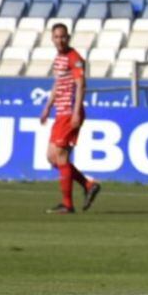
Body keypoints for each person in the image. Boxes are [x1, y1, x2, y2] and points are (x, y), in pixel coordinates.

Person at [39, 22, 101, 214]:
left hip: (70, 112)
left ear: (68, 37)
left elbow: (81, 85)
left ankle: (67, 204)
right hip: (60, 112)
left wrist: (75, 112)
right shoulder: (59, 58)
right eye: (56, 37)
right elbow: (58, 83)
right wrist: (48, 106)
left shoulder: (75, 58)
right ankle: (88, 185)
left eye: (63, 36)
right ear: (52, 38)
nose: (60, 40)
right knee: (51, 157)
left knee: (61, 155)